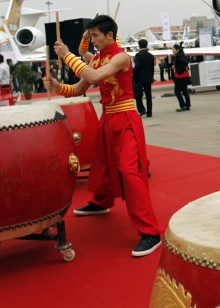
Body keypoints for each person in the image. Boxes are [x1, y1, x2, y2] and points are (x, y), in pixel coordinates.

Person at [44, 15, 163, 257]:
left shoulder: (120, 57)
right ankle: (101, 202)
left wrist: (68, 55)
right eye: (91, 36)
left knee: (128, 170)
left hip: (126, 118)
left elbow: (95, 77)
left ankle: (151, 231)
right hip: (108, 118)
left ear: (110, 35)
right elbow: (78, 88)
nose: (94, 40)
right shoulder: (98, 59)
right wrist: (57, 87)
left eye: (96, 35)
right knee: (102, 164)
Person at [133, 39, 154, 117]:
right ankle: (149, 112)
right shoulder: (150, 55)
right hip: (148, 78)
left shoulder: (138, 55)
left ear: (139, 45)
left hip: (140, 78)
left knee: (138, 95)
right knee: (148, 96)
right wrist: (151, 77)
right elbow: (152, 68)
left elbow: (137, 67)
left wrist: (134, 76)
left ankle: (142, 110)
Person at [171, 44, 191, 111]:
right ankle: (187, 105)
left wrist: (178, 68)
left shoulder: (178, 56)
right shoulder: (182, 55)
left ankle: (182, 105)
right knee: (184, 90)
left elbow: (185, 62)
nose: (172, 51)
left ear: (177, 49)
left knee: (177, 91)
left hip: (180, 76)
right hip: (184, 75)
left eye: (173, 49)